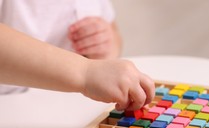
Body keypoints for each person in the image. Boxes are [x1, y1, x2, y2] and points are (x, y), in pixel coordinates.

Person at [0, 23, 155, 111]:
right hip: (13, 110)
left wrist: (107, 43)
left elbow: (111, 27)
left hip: (73, 109)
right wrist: (86, 71)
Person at [0, 0, 122, 94]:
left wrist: (105, 46)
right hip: (11, 102)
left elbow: (113, 30)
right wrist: (85, 72)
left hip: (72, 101)